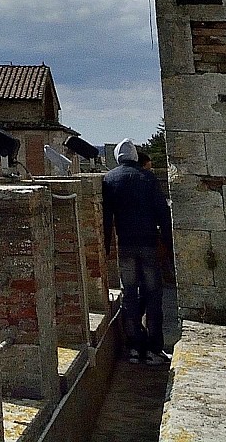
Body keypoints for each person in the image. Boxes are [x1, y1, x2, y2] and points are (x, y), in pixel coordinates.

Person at [100, 139, 172, 366]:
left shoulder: (109, 179)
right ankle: (153, 350)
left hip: (126, 245)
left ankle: (133, 348)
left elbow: (106, 217)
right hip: (148, 242)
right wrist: (170, 245)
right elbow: (162, 211)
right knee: (153, 295)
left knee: (129, 295)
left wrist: (106, 245)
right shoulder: (148, 178)